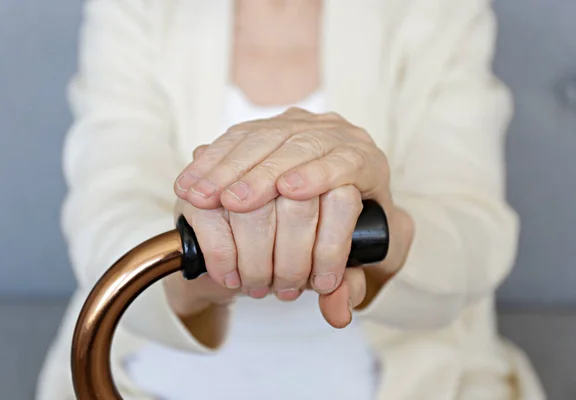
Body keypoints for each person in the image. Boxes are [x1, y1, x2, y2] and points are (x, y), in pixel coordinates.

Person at [36, 0, 546, 399]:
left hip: (396, 380)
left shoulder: (438, 12)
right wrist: (205, 245)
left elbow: (474, 232)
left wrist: (379, 223)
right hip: (150, 376)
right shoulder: (134, 10)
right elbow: (104, 213)